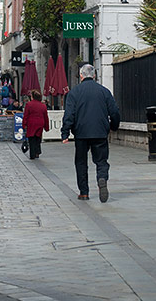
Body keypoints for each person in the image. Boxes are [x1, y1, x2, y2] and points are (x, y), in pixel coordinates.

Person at [60, 64, 121, 202]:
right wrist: (114, 126)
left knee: (81, 162)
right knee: (101, 161)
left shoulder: (74, 93)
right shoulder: (104, 91)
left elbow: (69, 114)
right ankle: (101, 178)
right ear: (94, 76)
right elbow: (114, 111)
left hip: (81, 133)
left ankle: (84, 192)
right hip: (100, 132)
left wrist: (65, 133)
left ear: (81, 76)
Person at [22, 89, 50, 159]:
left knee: (31, 139)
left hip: (31, 123)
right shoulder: (43, 106)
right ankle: (37, 151)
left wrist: (24, 124)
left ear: (33, 97)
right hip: (40, 123)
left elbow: (26, 115)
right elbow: (45, 117)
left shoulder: (29, 104)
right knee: (38, 137)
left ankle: (32, 154)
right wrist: (47, 127)